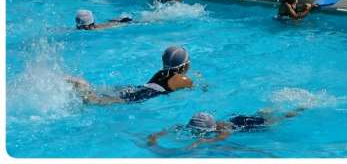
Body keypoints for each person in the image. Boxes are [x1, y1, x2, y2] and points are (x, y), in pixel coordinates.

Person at [67, 46, 192, 104]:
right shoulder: (183, 79)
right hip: (144, 94)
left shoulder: (161, 73)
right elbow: (191, 86)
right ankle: (86, 92)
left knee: (105, 93)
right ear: (184, 66)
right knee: (99, 101)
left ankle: (85, 87)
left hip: (138, 88)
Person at [148, 108, 304, 149]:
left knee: (276, 121)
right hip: (237, 118)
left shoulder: (222, 130)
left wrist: (202, 142)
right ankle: (267, 111)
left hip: (247, 124)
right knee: (263, 114)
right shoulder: (200, 125)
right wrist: (155, 136)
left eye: (199, 131)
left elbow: (223, 137)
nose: (195, 132)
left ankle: (298, 110)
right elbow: (174, 127)